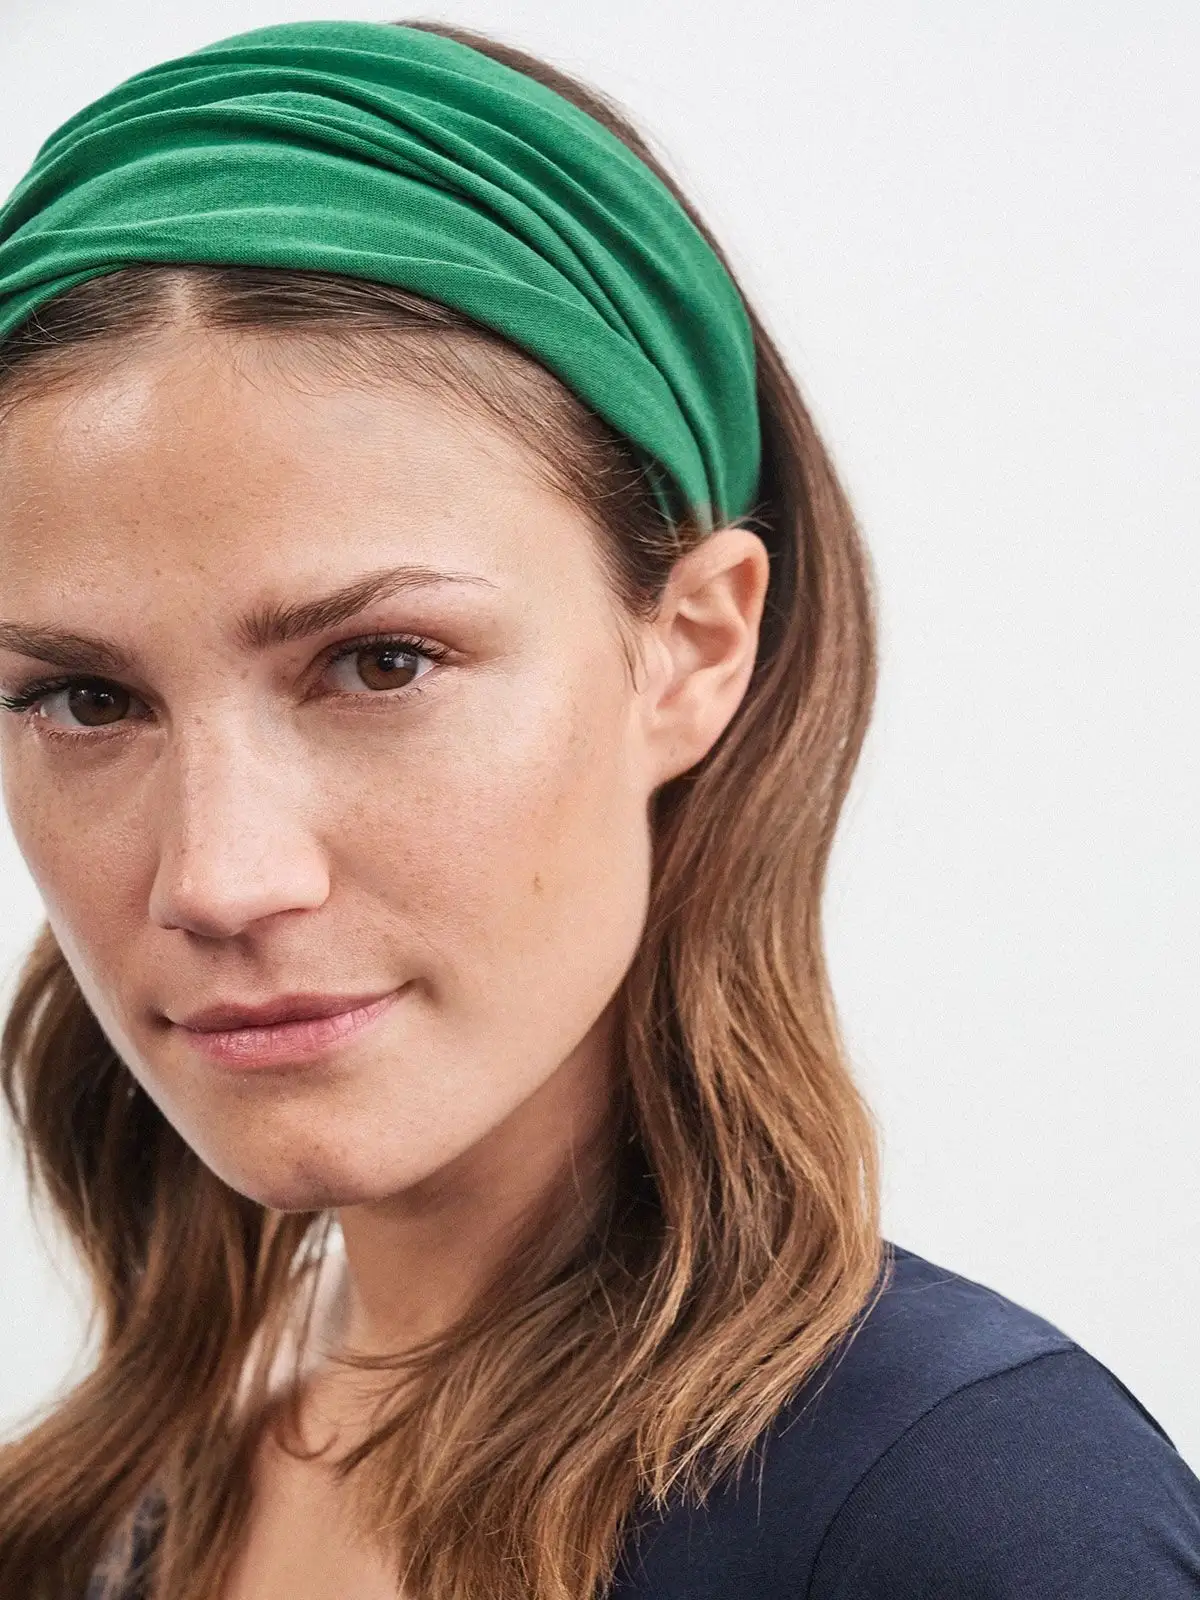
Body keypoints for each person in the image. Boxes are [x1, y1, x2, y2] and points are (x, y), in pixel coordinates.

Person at [0, 18, 1195, 1600]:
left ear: (691, 650)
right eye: (84, 699)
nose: (217, 877)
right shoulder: (103, 1511)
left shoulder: (974, 1515)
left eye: (381, 663)